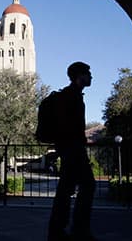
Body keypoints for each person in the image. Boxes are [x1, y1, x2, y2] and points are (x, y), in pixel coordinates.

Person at [47, 61, 97, 241]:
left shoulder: (73, 95)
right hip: (73, 149)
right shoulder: (70, 96)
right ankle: (77, 230)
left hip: (71, 149)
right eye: (88, 74)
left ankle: (59, 229)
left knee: (66, 189)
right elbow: (66, 126)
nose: (91, 77)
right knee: (88, 185)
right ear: (79, 76)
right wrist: (69, 147)